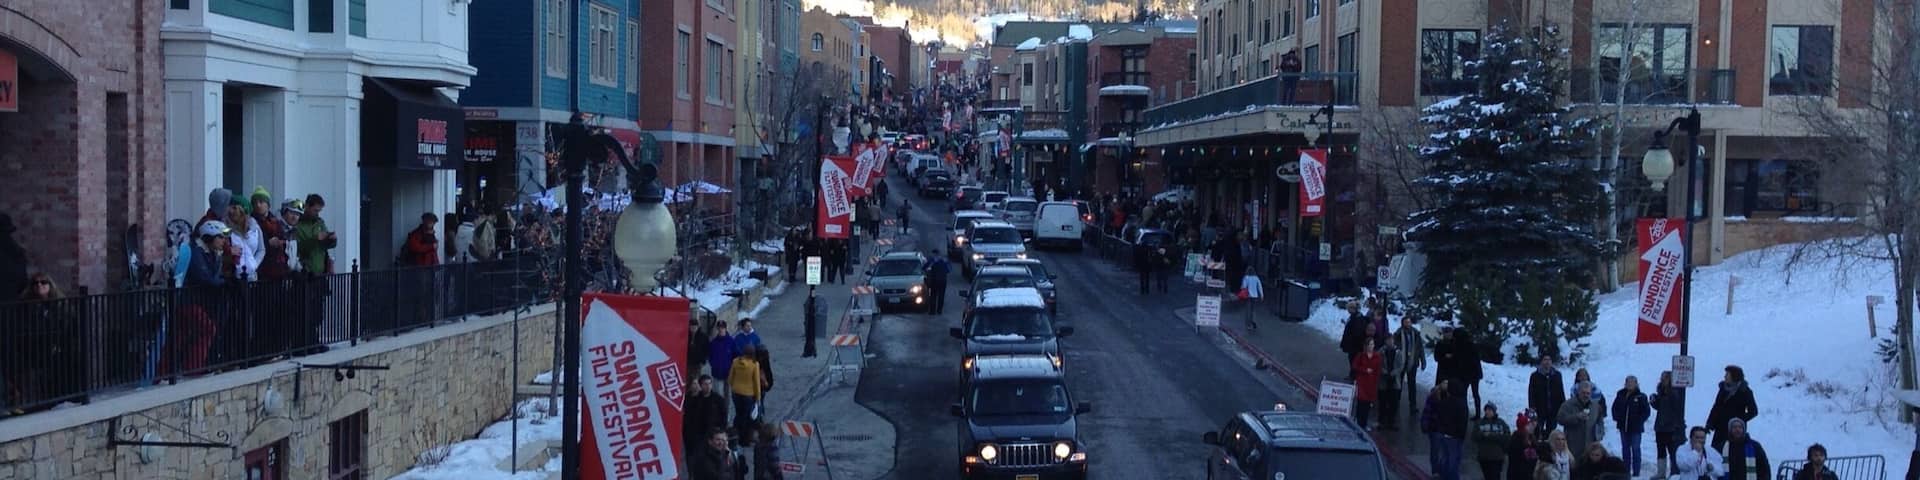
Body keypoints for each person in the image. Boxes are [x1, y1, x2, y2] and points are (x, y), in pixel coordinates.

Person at [1707, 365, 1759, 451]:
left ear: (1734, 376)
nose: (1725, 377)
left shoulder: (1745, 391)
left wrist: (1739, 420)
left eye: (1727, 374)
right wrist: (1710, 423)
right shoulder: (1723, 389)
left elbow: (1753, 411)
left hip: (1736, 431)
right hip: (1720, 429)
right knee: (1716, 454)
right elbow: (1716, 407)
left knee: (1734, 453)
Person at [1431, 379, 1471, 480]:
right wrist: (1461, 436)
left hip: (1445, 434)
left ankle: (1442, 475)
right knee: (1454, 461)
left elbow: (1439, 415)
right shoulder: (1461, 404)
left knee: (1446, 458)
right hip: (1456, 437)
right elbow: (1463, 422)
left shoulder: (1445, 402)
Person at [1611, 375, 1649, 477]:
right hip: (1623, 427)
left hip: (1636, 429)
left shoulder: (1641, 396)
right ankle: (1626, 471)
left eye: (1632, 382)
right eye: (1628, 382)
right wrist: (1617, 418)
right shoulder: (1621, 395)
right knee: (1625, 449)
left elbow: (1646, 412)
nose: (1630, 384)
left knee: (1636, 450)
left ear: (1636, 384)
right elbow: (1614, 408)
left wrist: (1639, 421)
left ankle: (1636, 472)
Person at [1651, 370, 1687, 478]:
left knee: (1673, 451)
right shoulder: (1661, 391)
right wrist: (1654, 401)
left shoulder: (1675, 391)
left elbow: (1676, 406)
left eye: (1665, 378)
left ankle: (1674, 473)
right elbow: (1660, 407)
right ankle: (1661, 472)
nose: (1662, 380)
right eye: (1662, 377)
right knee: (1660, 450)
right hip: (1660, 426)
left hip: (1671, 427)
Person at [728, 344, 768, 440]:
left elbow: (730, 378)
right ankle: (744, 437)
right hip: (748, 394)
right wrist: (758, 398)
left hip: (736, 392)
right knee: (746, 417)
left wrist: (734, 386)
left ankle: (735, 434)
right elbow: (756, 382)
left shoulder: (735, 362)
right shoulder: (754, 365)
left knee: (738, 413)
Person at [684, 375, 728, 461]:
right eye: (705, 384)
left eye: (709, 383)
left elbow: (724, 415)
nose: (708, 386)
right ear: (700, 386)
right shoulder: (696, 399)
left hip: (712, 432)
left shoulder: (718, 399)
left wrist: (722, 429)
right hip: (698, 433)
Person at [1559, 381, 1604, 461]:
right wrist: (1576, 417)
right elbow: (1560, 419)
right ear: (1578, 392)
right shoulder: (1568, 405)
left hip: (1590, 447)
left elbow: (1600, 421)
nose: (1586, 395)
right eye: (1583, 393)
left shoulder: (1595, 406)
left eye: (1588, 393)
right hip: (1573, 445)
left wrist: (1599, 434)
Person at [1394, 316, 1427, 423]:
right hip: (1401, 362)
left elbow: (1420, 348)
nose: (1408, 324)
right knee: (1398, 383)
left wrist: (1423, 360)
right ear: (1402, 323)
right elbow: (1395, 347)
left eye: (1409, 322)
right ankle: (1396, 401)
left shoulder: (1416, 334)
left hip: (1412, 361)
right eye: (1406, 322)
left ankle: (1413, 405)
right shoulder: (1398, 334)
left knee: (1412, 384)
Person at [1469, 404, 1512, 480]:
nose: (1488, 412)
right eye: (1486, 410)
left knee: (1495, 476)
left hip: (1497, 458)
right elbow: (1474, 437)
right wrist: (1483, 435)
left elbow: (1507, 437)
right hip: (1484, 457)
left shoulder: (1501, 423)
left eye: (1490, 410)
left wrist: (1492, 436)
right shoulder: (1480, 423)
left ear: (1494, 412)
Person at [1529, 357, 1568, 439]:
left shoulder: (1557, 375)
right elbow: (1531, 392)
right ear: (1541, 362)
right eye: (1545, 359)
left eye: (1549, 359)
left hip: (1553, 408)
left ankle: (1549, 447)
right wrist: (1532, 406)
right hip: (1540, 408)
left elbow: (1561, 391)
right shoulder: (1535, 376)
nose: (1547, 362)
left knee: (1551, 432)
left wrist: (1563, 405)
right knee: (1537, 431)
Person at [1447, 327, 1484, 411]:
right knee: (1475, 393)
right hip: (1474, 373)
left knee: (1464, 393)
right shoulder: (1470, 345)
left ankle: (1464, 411)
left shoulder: (1460, 345)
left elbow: (1461, 360)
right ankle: (1476, 413)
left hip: (1468, 374)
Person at [1350, 338, 1384, 429]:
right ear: (1366, 346)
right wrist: (1364, 370)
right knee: (1361, 403)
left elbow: (1378, 371)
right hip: (1362, 382)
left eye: (1372, 344)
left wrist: (1376, 383)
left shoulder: (1377, 357)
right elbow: (1354, 366)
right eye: (1369, 344)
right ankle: (1358, 422)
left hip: (1371, 384)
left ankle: (1363, 424)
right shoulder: (1361, 355)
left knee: (1367, 405)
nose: (1371, 346)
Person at [1377, 335, 1407, 431]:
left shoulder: (1398, 352)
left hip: (1394, 380)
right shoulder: (1381, 352)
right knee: (1382, 402)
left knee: (1393, 403)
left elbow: (1401, 365)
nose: (1390, 342)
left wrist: (1394, 372)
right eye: (1388, 340)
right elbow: (1377, 363)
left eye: (1391, 340)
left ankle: (1391, 422)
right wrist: (1383, 371)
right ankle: (1381, 421)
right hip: (1383, 380)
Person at [1507, 410, 1542, 480]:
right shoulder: (1516, 439)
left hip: (1530, 474)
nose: (1533, 426)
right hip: (1518, 475)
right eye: (1529, 424)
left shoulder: (1532, 437)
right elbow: (1517, 460)